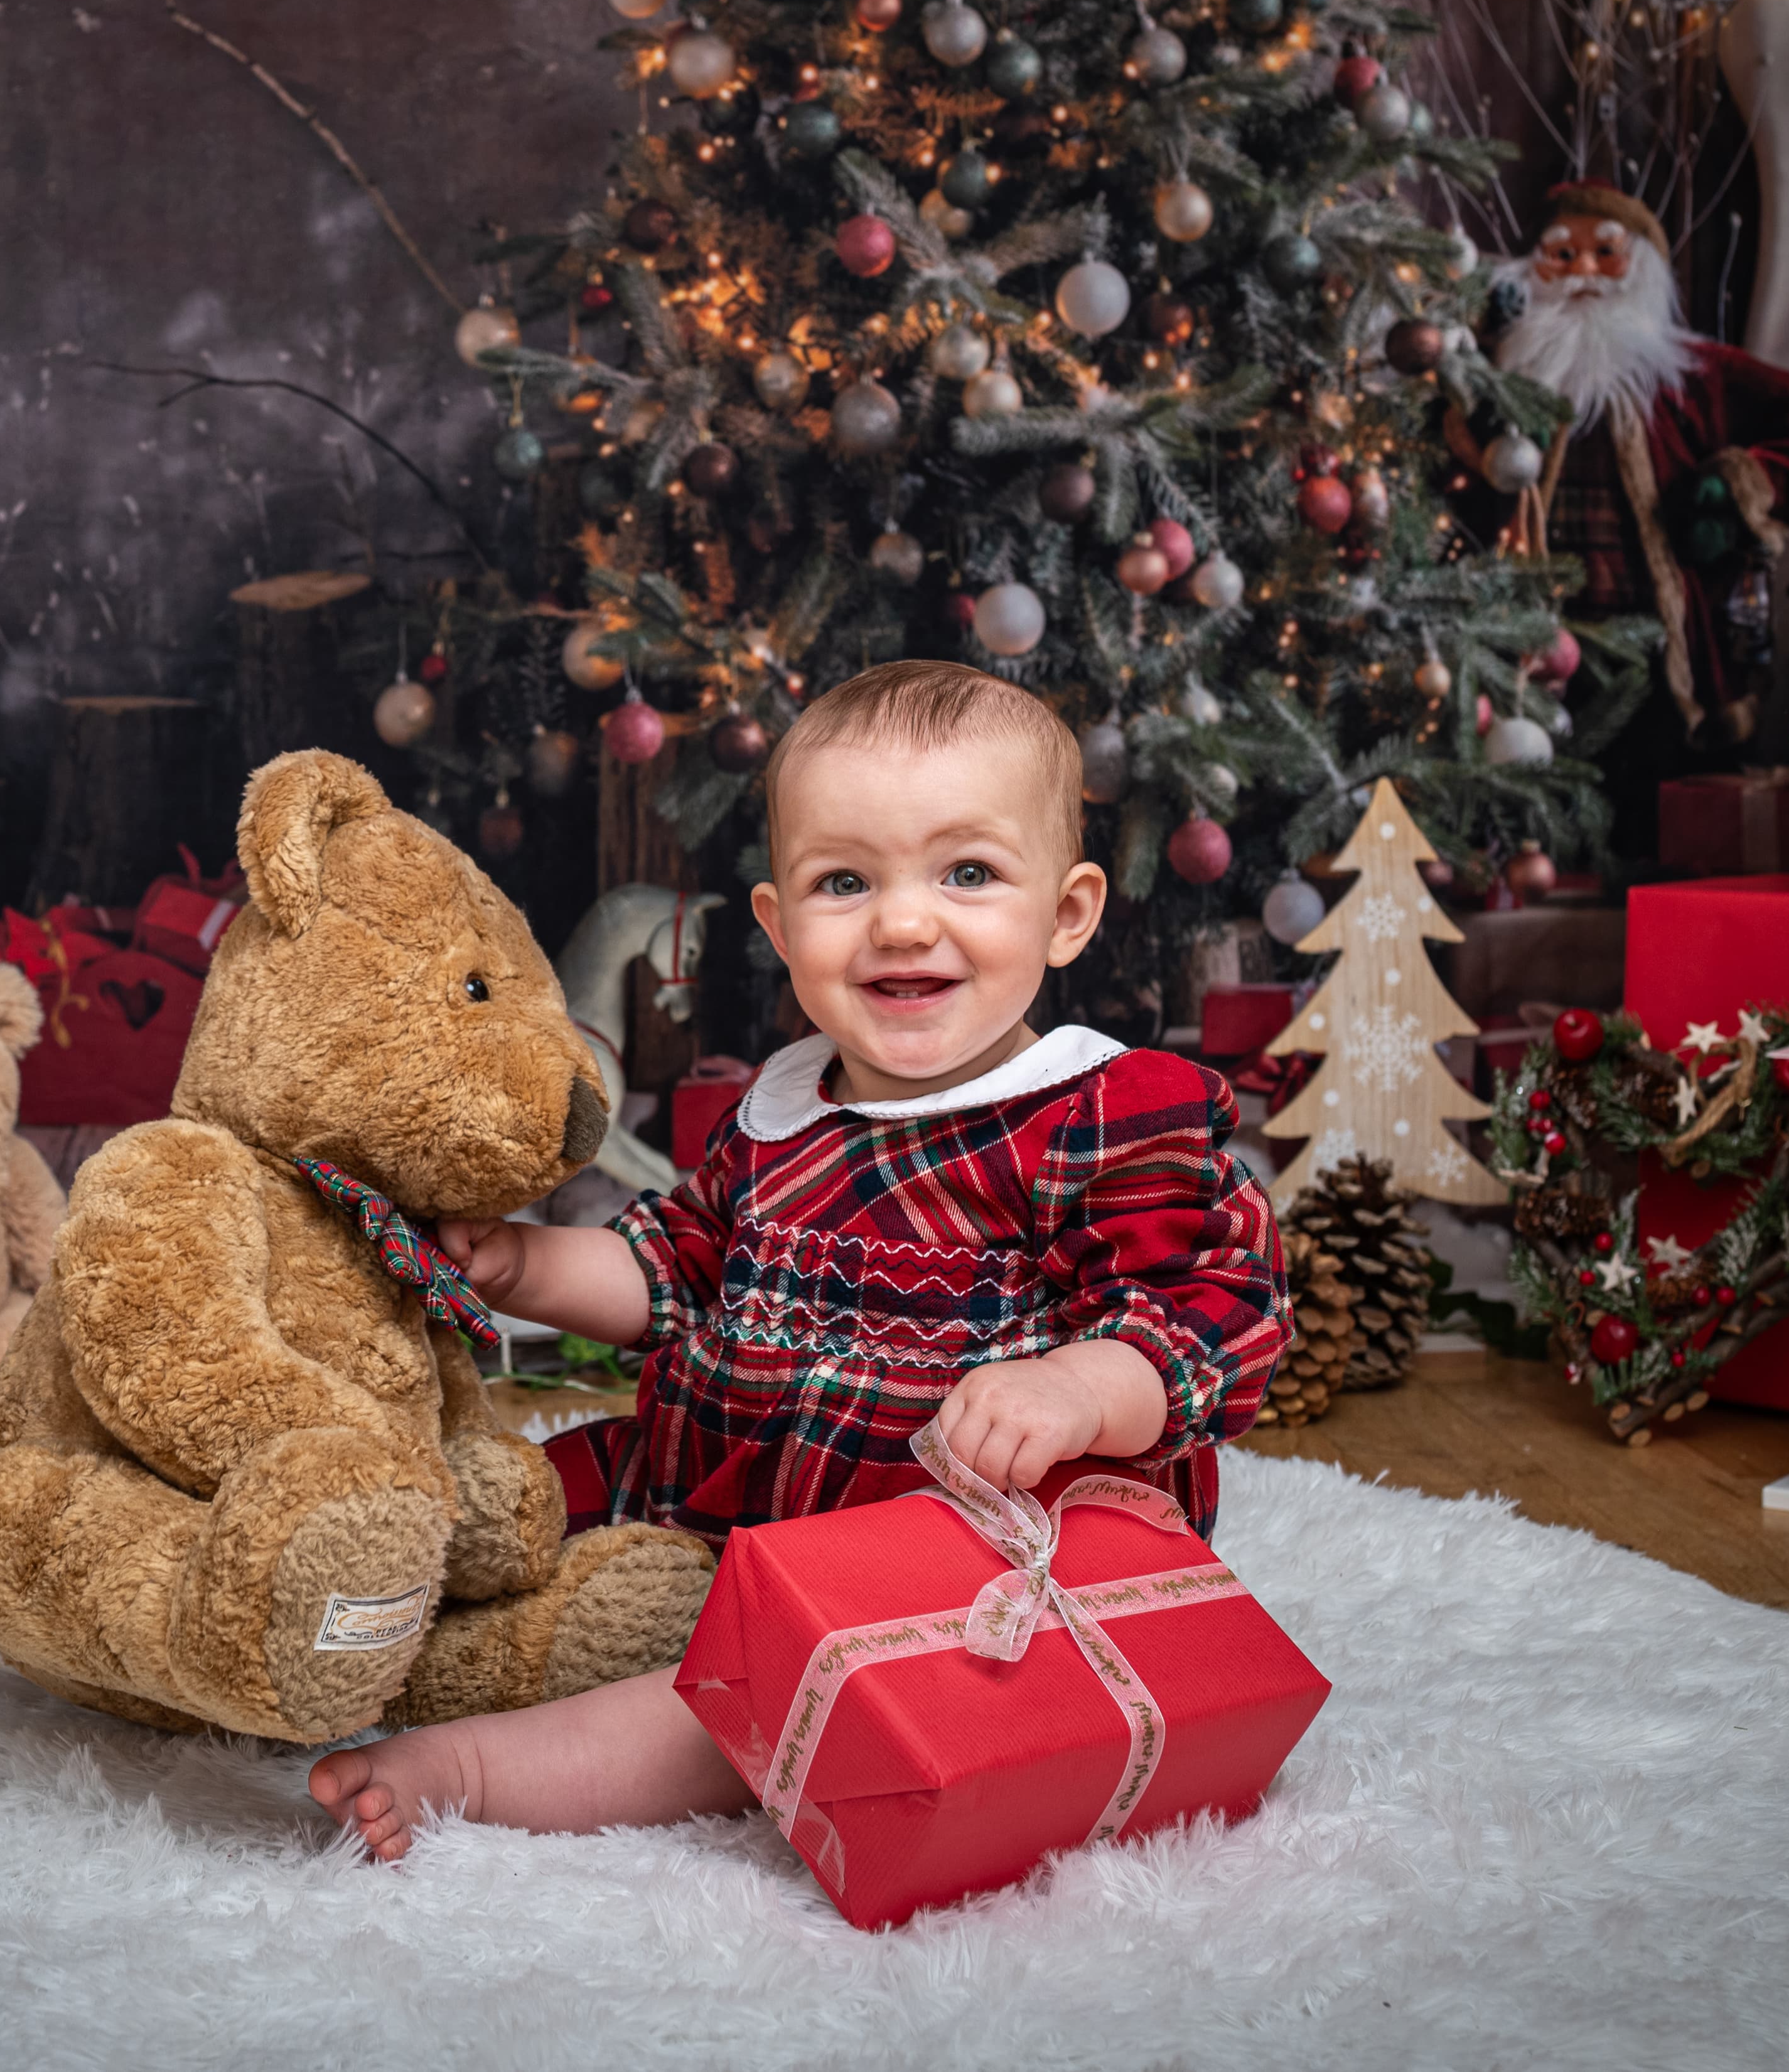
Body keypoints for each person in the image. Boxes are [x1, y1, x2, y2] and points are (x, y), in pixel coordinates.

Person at [308, 659, 1290, 1860]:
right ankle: (325, 1618)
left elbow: (1218, 1313)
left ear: (1069, 912)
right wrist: (522, 1263)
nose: (903, 920)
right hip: (730, 1474)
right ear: (780, 926)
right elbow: (674, 1268)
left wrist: (1081, 1387)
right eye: (844, 881)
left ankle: (467, 1768)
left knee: (775, 1693)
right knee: (509, 1501)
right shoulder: (781, 1105)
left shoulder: (1095, 1114)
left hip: (952, 1537)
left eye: (968, 873)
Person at [1448, 181, 1789, 846]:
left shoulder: (1694, 377)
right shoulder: (1500, 380)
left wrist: (1741, 487)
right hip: (1526, 646)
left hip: (1662, 649)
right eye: (1561, 254)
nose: (1581, 273)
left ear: (1644, 274)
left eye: (1607, 255)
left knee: (1660, 807)